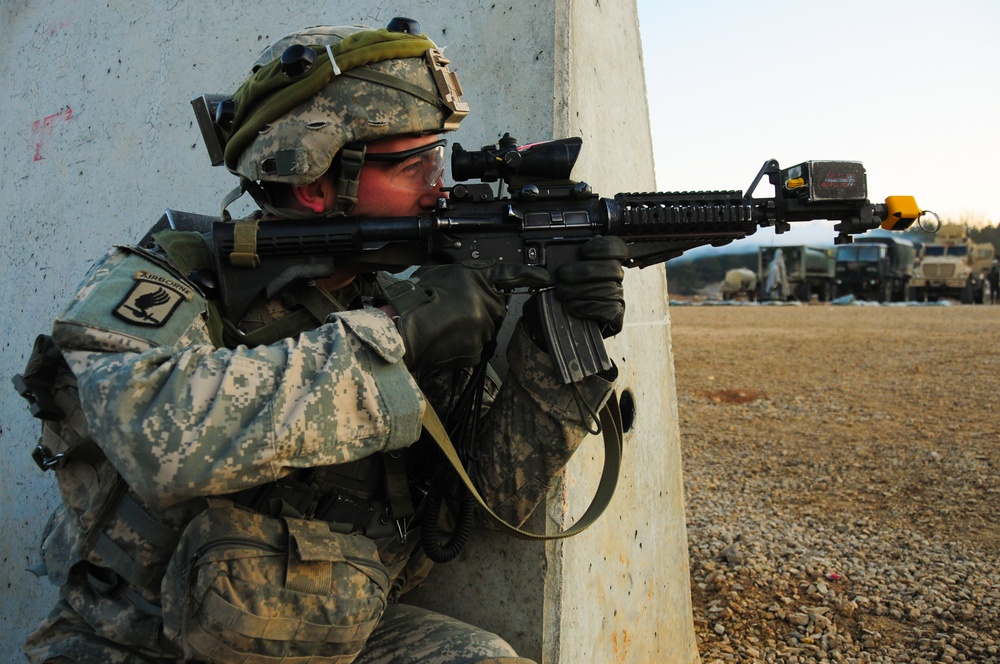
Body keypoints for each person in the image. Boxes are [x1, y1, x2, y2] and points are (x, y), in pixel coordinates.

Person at [17, 19, 626, 664]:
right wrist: (401, 334)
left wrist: (555, 343)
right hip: (140, 640)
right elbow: (153, 437)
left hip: (330, 639)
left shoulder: (384, 294)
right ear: (314, 184)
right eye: (412, 162)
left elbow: (480, 503)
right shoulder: (176, 276)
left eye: (439, 157)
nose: (438, 185)